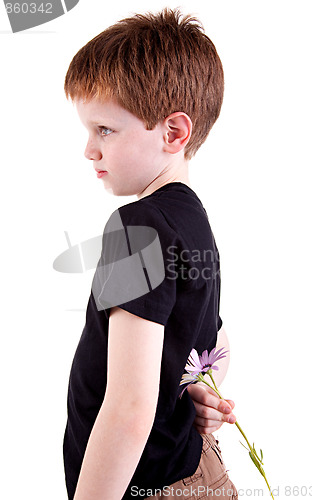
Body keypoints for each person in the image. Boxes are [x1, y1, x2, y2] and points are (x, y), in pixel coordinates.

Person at [62, 8, 238, 500]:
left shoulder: (137, 226)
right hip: (197, 474)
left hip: (150, 486)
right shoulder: (190, 218)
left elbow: (129, 407)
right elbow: (212, 342)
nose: (89, 150)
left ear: (173, 133)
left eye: (105, 130)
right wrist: (199, 389)